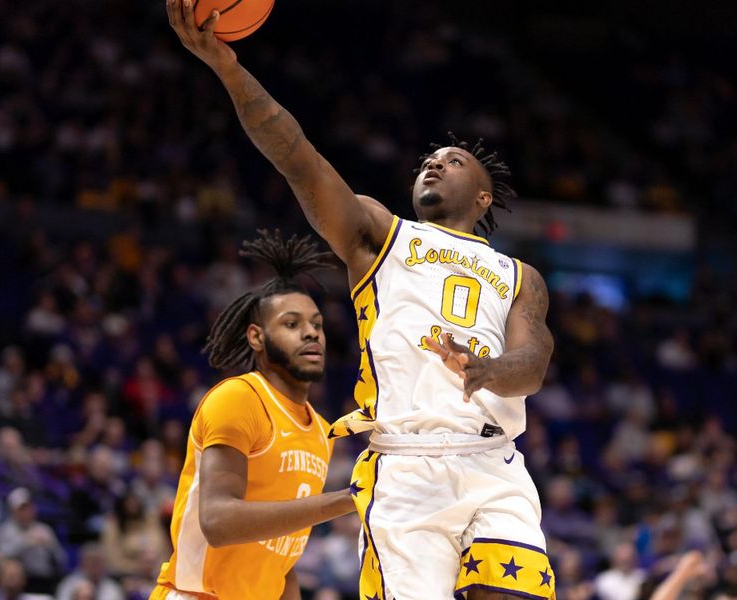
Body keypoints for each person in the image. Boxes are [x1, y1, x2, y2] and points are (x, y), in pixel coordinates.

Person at [167, 4, 556, 598]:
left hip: (493, 461)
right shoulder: (382, 234)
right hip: (406, 466)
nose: (434, 162)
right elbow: (296, 156)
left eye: (453, 161)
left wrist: (487, 369)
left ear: (482, 197)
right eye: (429, 159)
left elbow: (532, 368)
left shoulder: (519, 274)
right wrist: (228, 68)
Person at [150, 231, 355, 599]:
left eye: (317, 324)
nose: (311, 333)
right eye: (292, 324)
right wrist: (347, 499)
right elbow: (217, 522)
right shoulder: (238, 399)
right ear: (257, 337)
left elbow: (283, 564)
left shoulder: (322, 431)